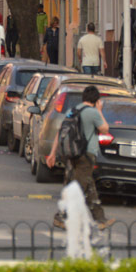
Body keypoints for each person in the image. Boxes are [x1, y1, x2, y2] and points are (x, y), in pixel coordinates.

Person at [46, 85, 114, 231]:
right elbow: (105, 128)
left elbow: (60, 132)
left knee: (87, 186)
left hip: (71, 154)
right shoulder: (92, 112)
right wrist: (99, 110)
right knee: (78, 188)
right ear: (96, 100)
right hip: (86, 155)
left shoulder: (73, 111)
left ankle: (100, 219)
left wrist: (52, 153)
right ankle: (61, 217)